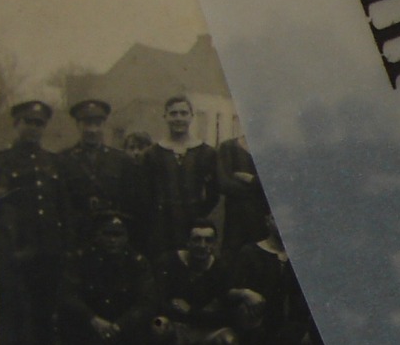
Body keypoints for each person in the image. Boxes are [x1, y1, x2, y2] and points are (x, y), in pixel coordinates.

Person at [0, 100, 71, 345]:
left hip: (48, 253)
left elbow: (63, 207)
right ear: (16, 124)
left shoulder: (54, 162)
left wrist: (63, 246)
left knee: (44, 315)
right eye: (28, 122)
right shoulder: (1, 161)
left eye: (39, 124)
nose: (33, 128)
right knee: (11, 316)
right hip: (15, 254)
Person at [57, 209, 157, 345]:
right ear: (97, 236)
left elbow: (147, 302)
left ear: (127, 237)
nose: (113, 240)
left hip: (121, 327)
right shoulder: (81, 258)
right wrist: (92, 319)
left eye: (118, 235)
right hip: (91, 325)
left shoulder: (137, 262)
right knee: (67, 321)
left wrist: (120, 325)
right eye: (107, 234)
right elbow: (68, 294)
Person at [227, 213, 325, 345]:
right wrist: (246, 293)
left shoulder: (301, 255)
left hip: (293, 324)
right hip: (262, 321)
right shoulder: (250, 252)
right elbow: (230, 291)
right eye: (277, 218)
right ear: (267, 221)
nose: (283, 224)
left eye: (289, 219)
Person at [149, 219, 237, 345]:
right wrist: (181, 315)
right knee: (157, 324)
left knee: (228, 340)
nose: (202, 245)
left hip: (206, 330)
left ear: (215, 244)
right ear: (187, 242)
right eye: (196, 239)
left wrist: (190, 311)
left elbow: (226, 314)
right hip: (177, 326)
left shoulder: (221, 269)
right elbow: (158, 301)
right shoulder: (169, 262)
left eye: (208, 240)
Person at [62, 98, 145, 249]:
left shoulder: (120, 160)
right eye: (87, 124)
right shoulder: (64, 159)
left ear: (104, 125)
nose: (92, 130)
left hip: (112, 237)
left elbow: (131, 203)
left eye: (97, 124)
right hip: (77, 237)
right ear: (77, 125)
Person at [142, 95, 219, 256]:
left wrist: (198, 213)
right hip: (162, 224)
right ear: (165, 117)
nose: (178, 118)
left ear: (192, 116)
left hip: (194, 223)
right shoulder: (152, 154)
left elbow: (214, 193)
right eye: (173, 113)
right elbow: (145, 193)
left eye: (183, 113)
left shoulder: (207, 153)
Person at [216, 132, 269, 259]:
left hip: (263, 220)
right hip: (235, 221)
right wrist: (260, 187)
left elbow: (277, 184)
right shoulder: (228, 147)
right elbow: (224, 184)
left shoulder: (273, 148)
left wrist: (252, 180)